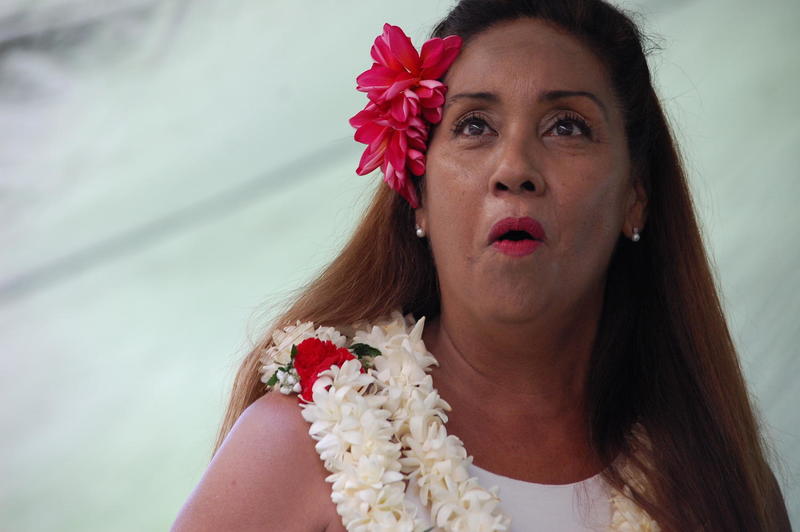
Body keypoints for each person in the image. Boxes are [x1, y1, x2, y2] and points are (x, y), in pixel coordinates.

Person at [172, 0, 791, 530]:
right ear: (417, 195)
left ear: (636, 195)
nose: (514, 167)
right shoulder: (300, 444)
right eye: (474, 125)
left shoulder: (717, 482)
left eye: (567, 127)